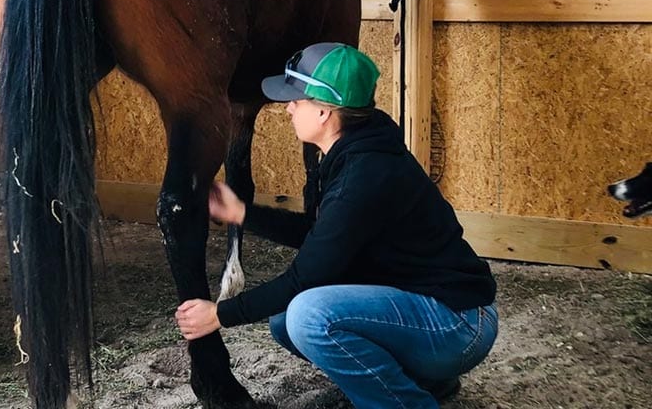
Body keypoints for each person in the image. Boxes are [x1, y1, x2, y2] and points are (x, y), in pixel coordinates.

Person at [175, 42, 498, 408]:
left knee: (308, 315)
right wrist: (243, 213)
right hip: (435, 311)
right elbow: (322, 235)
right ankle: (425, 379)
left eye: (296, 99)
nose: (288, 109)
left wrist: (219, 314)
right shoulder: (355, 149)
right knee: (286, 318)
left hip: (458, 325)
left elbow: (305, 277)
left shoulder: (363, 175)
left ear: (326, 111)